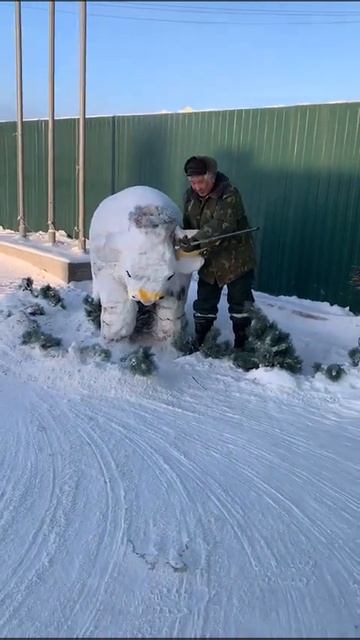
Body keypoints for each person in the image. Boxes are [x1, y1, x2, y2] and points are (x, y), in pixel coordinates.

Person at [179, 155, 257, 350]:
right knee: (204, 303)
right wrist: (184, 240)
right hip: (209, 260)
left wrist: (196, 242)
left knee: (240, 305)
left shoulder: (229, 194)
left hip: (236, 261)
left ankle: (242, 345)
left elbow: (222, 225)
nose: (196, 186)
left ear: (211, 177)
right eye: (192, 182)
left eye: (200, 181)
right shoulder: (189, 196)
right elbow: (188, 225)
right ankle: (201, 341)